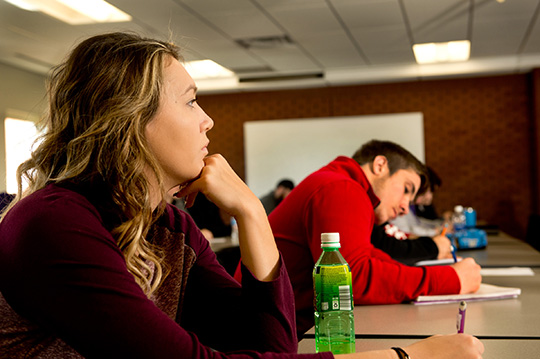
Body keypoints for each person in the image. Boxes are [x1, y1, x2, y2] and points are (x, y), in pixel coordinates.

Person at [0, 33, 483, 359]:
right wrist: (405, 356)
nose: (208, 120)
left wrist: (252, 212)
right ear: (128, 118)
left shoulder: (169, 225)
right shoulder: (54, 224)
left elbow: (272, 345)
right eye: (190, 101)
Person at [252, 140, 482, 336]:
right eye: (406, 189)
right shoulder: (342, 188)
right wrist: (450, 279)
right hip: (262, 337)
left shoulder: (337, 182)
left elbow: (371, 259)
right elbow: (352, 279)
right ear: (380, 165)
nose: (405, 207)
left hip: (271, 328)